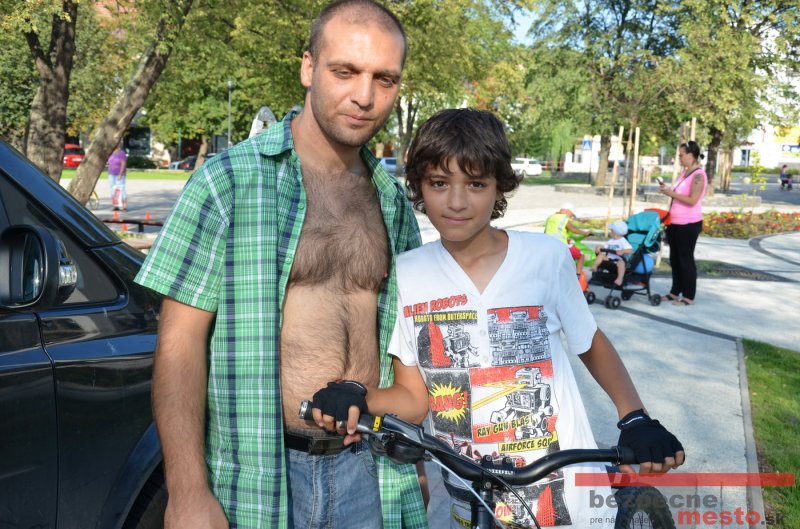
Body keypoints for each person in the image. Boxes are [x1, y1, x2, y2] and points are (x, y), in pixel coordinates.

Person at [134, 2, 428, 528]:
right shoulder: (229, 182)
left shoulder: (392, 203)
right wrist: (186, 491)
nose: (364, 96)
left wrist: (417, 458)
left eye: (384, 79)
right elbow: (179, 345)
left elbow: (404, 348)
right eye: (345, 72)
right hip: (261, 480)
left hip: (371, 471)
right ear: (308, 68)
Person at [388, 108, 684, 528]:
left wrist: (634, 415)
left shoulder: (546, 257)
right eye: (439, 183)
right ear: (419, 185)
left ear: (499, 186)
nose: (456, 201)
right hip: (472, 498)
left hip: (567, 491)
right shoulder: (406, 274)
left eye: (476, 184)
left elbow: (589, 341)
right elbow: (412, 397)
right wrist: (356, 397)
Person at [658, 140, 707, 306]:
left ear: (691, 155)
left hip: (689, 224)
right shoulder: (685, 173)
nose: (679, 158)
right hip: (674, 222)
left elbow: (692, 200)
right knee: (675, 259)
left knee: (685, 259)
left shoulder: (699, 175)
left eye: (681, 155)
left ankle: (688, 296)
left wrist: (670, 193)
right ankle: (674, 291)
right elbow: (679, 194)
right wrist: (668, 190)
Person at [544, 203, 592, 274]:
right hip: (560, 245)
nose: (571, 216)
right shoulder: (563, 218)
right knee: (581, 256)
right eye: (571, 214)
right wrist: (585, 233)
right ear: (567, 211)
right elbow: (573, 229)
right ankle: (577, 276)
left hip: (548, 244)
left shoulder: (550, 217)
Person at [591, 219, 633, 286]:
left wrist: (623, 251)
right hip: (609, 259)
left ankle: (620, 279)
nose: (610, 232)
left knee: (621, 264)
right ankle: (594, 266)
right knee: (600, 255)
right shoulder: (611, 241)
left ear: (615, 232)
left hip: (618, 260)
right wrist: (599, 247)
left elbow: (630, 250)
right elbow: (604, 247)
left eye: (611, 230)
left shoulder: (623, 241)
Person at [107, 143, 127, 211]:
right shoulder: (111, 152)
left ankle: (124, 206)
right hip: (111, 174)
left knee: (121, 189)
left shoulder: (121, 153)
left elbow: (123, 164)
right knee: (113, 190)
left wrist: (120, 174)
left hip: (119, 174)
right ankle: (116, 206)